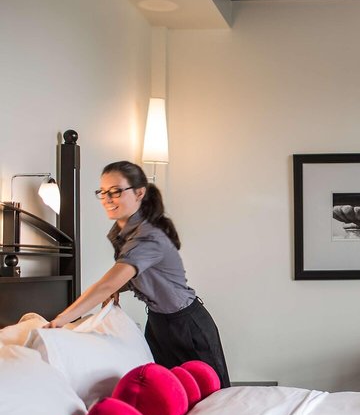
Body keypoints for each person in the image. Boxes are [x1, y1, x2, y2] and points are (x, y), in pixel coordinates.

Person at [47, 161, 231, 388]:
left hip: (186, 325)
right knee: (168, 394)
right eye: (102, 192)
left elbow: (107, 284)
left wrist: (60, 321)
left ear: (139, 193)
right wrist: (118, 287)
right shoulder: (122, 232)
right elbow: (137, 275)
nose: (107, 199)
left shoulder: (148, 237)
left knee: (213, 396)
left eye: (115, 191)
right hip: (158, 324)